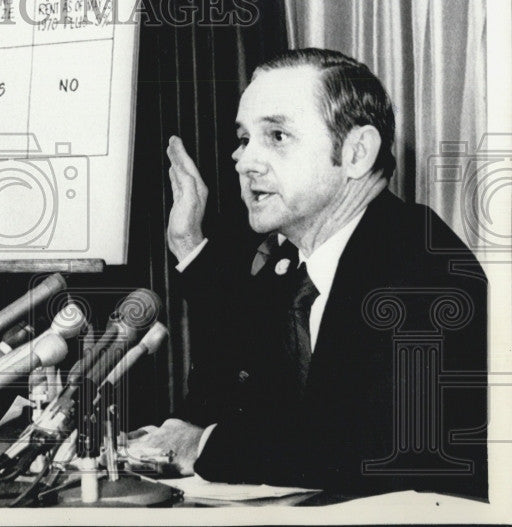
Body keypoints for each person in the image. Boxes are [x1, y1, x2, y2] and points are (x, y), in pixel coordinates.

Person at [129, 49, 487, 497]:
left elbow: (375, 445)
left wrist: (202, 443)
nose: (243, 161)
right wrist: (187, 245)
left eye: (276, 135)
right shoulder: (289, 266)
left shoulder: (421, 264)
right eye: (244, 139)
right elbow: (226, 385)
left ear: (357, 153)